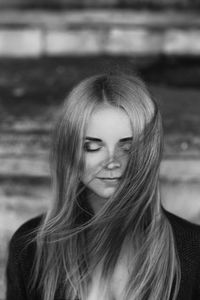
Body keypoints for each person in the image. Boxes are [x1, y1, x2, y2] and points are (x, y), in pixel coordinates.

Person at [5, 73, 200, 300]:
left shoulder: (192, 250)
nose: (111, 162)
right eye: (92, 147)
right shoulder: (31, 247)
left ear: (149, 152)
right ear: (69, 150)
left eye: (128, 147)